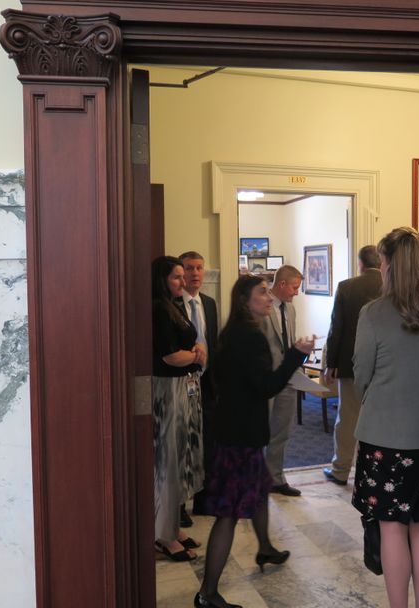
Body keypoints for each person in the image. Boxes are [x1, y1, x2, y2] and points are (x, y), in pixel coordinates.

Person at [195, 275, 314, 608]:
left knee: (260, 489)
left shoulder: (234, 333)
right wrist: (295, 354)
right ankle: (207, 593)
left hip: (235, 431)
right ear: (245, 300)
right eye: (262, 293)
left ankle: (264, 547)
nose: (269, 298)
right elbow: (267, 387)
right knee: (228, 515)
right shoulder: (249, 337)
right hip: (240, 437)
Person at [351, 227, 419, 608]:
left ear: (390, 266)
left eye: (383, 262)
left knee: (390, 527)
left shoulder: (374, 313)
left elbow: (361, 375)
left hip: (385, 439)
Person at [150, 256, 206, 561]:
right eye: (175, 277)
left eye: (182, 277)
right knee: (169, 461)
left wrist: (195, 354)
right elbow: (170, 357)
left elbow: (193, 347)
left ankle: (173, 526)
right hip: (168, 391)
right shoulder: (158, 309)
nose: (182, 282)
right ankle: (164, 535)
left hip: (184, 388)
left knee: (183, 457)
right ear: (162, 280)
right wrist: (195, 356)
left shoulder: (175, 304)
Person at [322, 245, 382, 486]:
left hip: (351, 363)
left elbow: (337, 327)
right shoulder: (391, 286)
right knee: (379, 418)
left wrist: (331, 363)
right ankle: (375, 470)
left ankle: (340, 469)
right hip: (385, 364)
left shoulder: (347, 287)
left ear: (360, 264)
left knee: (347, 418)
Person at [178, 251, 220, 521]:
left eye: (199, 268)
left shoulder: (209, 302)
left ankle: (205, 499)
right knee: (183, 442)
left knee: (209, 441)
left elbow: (213, 342)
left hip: (207, 382)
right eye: (189, 268)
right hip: (181, 381)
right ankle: (179, 504)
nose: (195, 274)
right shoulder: (172, 304)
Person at [261, 264, 304, 496]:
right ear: (282, 284)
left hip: (288, 378)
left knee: (282, 430)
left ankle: (275, 478)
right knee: (261, 430)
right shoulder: (262, 305)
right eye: (295, 288)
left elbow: (289, 341)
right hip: (266, 379)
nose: (297, 293)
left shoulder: (291, 308)